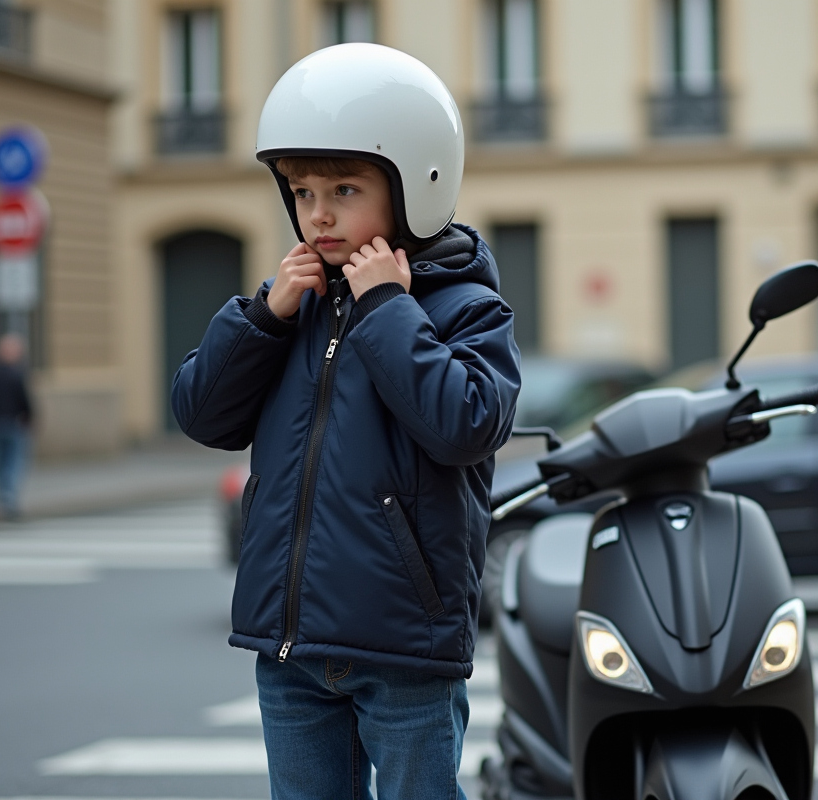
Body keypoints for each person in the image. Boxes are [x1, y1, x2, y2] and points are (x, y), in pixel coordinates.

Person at [172, 44, 521, 800]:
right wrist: (261, 318)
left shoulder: (462, 308)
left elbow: (468, 423)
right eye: (300, 191)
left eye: (343, 188)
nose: (318, 214)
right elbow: (200, 413)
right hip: (290, 648)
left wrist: (388, 309)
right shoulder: (290, 308)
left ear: (416, 183)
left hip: (403, 650)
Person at [0, 333, 33, 518]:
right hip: (12, 423)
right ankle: (8, 498)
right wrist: (29, 418)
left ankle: (1, 497)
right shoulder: (16, 374)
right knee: (12, 461)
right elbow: (25, 401)